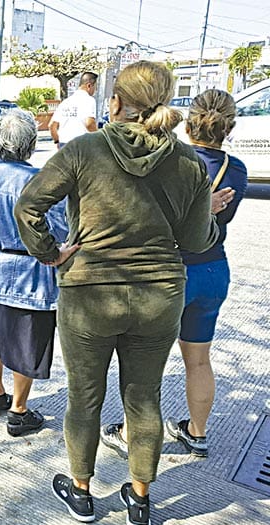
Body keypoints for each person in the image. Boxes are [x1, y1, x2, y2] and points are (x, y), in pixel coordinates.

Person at [14, 61, 219, 525]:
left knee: (85, 397)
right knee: (144, 397)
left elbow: (29, 207)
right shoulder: (189, 162)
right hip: (159, 296)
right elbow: (196, 241)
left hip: (88, 295)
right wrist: (210, 212)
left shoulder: (85, 149)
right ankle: (141, 500)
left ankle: (82, 492)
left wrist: (51, 253)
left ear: (116, 102)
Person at [100, 89, 248, 460]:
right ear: (228, 126)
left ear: (188, 121)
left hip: (169, 273)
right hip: (214, 269)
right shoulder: (238, 169)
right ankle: (197, 434)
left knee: (147, 362)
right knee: (199, 359)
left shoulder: (169, 163)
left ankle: (131, 432)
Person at [0, 109, 68, 437]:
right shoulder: (40, 180)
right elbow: (60, 229)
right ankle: (19, 411)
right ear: (31, 143)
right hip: (27, 277)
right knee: (25, 345)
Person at [49, 72, 98, 148]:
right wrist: (98, 138)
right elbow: (89, 124)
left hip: (64, 145)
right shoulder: (89, 100)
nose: (95, 90)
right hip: (81, 145)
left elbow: (52, 125)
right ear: (89, 85)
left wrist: (57, 141)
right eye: (95, 87)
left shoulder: (65, 102)